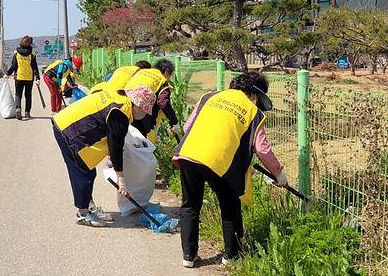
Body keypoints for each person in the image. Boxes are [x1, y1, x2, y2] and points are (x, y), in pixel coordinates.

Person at [173, 71, 288, 268]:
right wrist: (278, 173)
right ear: (253, 94)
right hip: (217, 162)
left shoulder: (209, 97)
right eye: (259, 98)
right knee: (230, 205)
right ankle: (231, 255)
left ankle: (188, 256)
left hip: (188, 154)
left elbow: (187, 126)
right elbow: (261, 148)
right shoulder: (253, 112)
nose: (258, 103)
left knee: (190, 205)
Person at [53, 84, 157, 227]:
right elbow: (115, 147)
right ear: (137, 105)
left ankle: (89, 208)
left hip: (68, 124)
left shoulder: (121, 98)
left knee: (87, 171)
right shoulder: (120, 112)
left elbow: (111, 138)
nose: (144, 114)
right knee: (83, 173)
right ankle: (83, 214)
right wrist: (121, 179)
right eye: (144, 110)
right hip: (68, 130)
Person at [5, 36, 40, 120]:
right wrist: (37, 77)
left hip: (19, 77)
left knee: (18, 94)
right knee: (28, 95)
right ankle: (27, 113)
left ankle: (18, 109)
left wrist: (7, 74)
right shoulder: (32, 55)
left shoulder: (16, 53)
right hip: (29, 78)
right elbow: (35, 67)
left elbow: (13, 66)